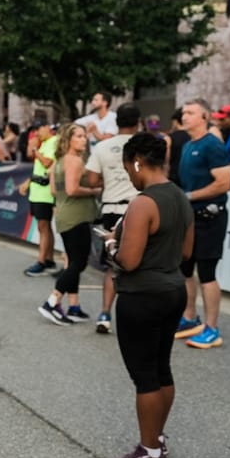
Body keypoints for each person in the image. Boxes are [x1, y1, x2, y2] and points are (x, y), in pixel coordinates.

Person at [104, 132, 193, 458]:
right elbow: (186, 253)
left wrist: (112, 244)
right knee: (161, 367)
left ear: (137, 161)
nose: (128, 174)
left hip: (142, 296)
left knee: (144, 376)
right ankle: (156, 437)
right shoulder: (181, 198)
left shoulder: (142, 203)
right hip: (174, 290)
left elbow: (128, 260)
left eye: (128, 167)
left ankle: (149, 451)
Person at [174, 99, 230, 349]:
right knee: (185, 270)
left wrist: (190, 196)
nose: (184, 116)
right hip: (189, 219)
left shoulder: (212, 145)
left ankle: (212, 328)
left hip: (210, 218)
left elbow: (224, 182)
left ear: (205, 117)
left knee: (207, 274)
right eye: (184, 112)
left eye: (191, 113)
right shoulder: (188, 146)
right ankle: (189, 319)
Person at [84, 102, 141, 334]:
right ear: (138, 122)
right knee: (139, 264)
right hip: (139, 208)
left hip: (111, 210)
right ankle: (136, 318)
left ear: (116, 123)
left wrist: (109, 181)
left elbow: (91, 180)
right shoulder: (142, 145)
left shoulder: (103, 146)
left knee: (113, 265)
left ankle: (105, 313)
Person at [37, 123, 101, 325]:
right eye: (79, 136)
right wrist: (93, 191)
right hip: (77, 216)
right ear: (68, 140)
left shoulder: (58, 161)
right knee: (78, 263)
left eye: (84, 136)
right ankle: (52, 301)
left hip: (64, 214)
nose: (84, 139)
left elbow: (56, 191)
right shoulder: (74, 160)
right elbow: (73, 190)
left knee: (73, 260)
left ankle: (74, 306)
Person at [22, 122, 59, 277]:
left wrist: (36, 150)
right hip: (37, 191)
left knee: (43, 227)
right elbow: (34, 161)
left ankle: (41, 261)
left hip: (45, 192)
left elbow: (47, 163)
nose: (37, 134)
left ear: (46, 128)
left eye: (38, 130)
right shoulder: (43, 143)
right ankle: (49, 258)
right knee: (44, 226)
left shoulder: (54, 141)